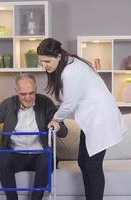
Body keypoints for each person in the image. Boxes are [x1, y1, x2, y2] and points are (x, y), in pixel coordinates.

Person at [37, 38, 126, 200]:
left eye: (47, 61)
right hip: (92, 120)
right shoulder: (68, 63)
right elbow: (69, 100)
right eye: (41, 61)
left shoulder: (70, 70)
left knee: (92, 165)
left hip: (100, 118)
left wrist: (56, 119)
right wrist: (58, 117)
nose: (44, 65)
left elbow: (70, 103)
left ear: (58, 56)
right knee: (84, 162)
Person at [0, 73, 68, 200]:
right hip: (15, 155)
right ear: (16, 91)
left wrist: (56, 124)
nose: (28, 97)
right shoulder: (8, 104)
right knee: (2, 161)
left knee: (47, 160)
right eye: (23, 94)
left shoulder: (45, 102)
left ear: (36, 90)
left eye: (31, 93)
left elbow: (64, 131)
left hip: (39, 154)